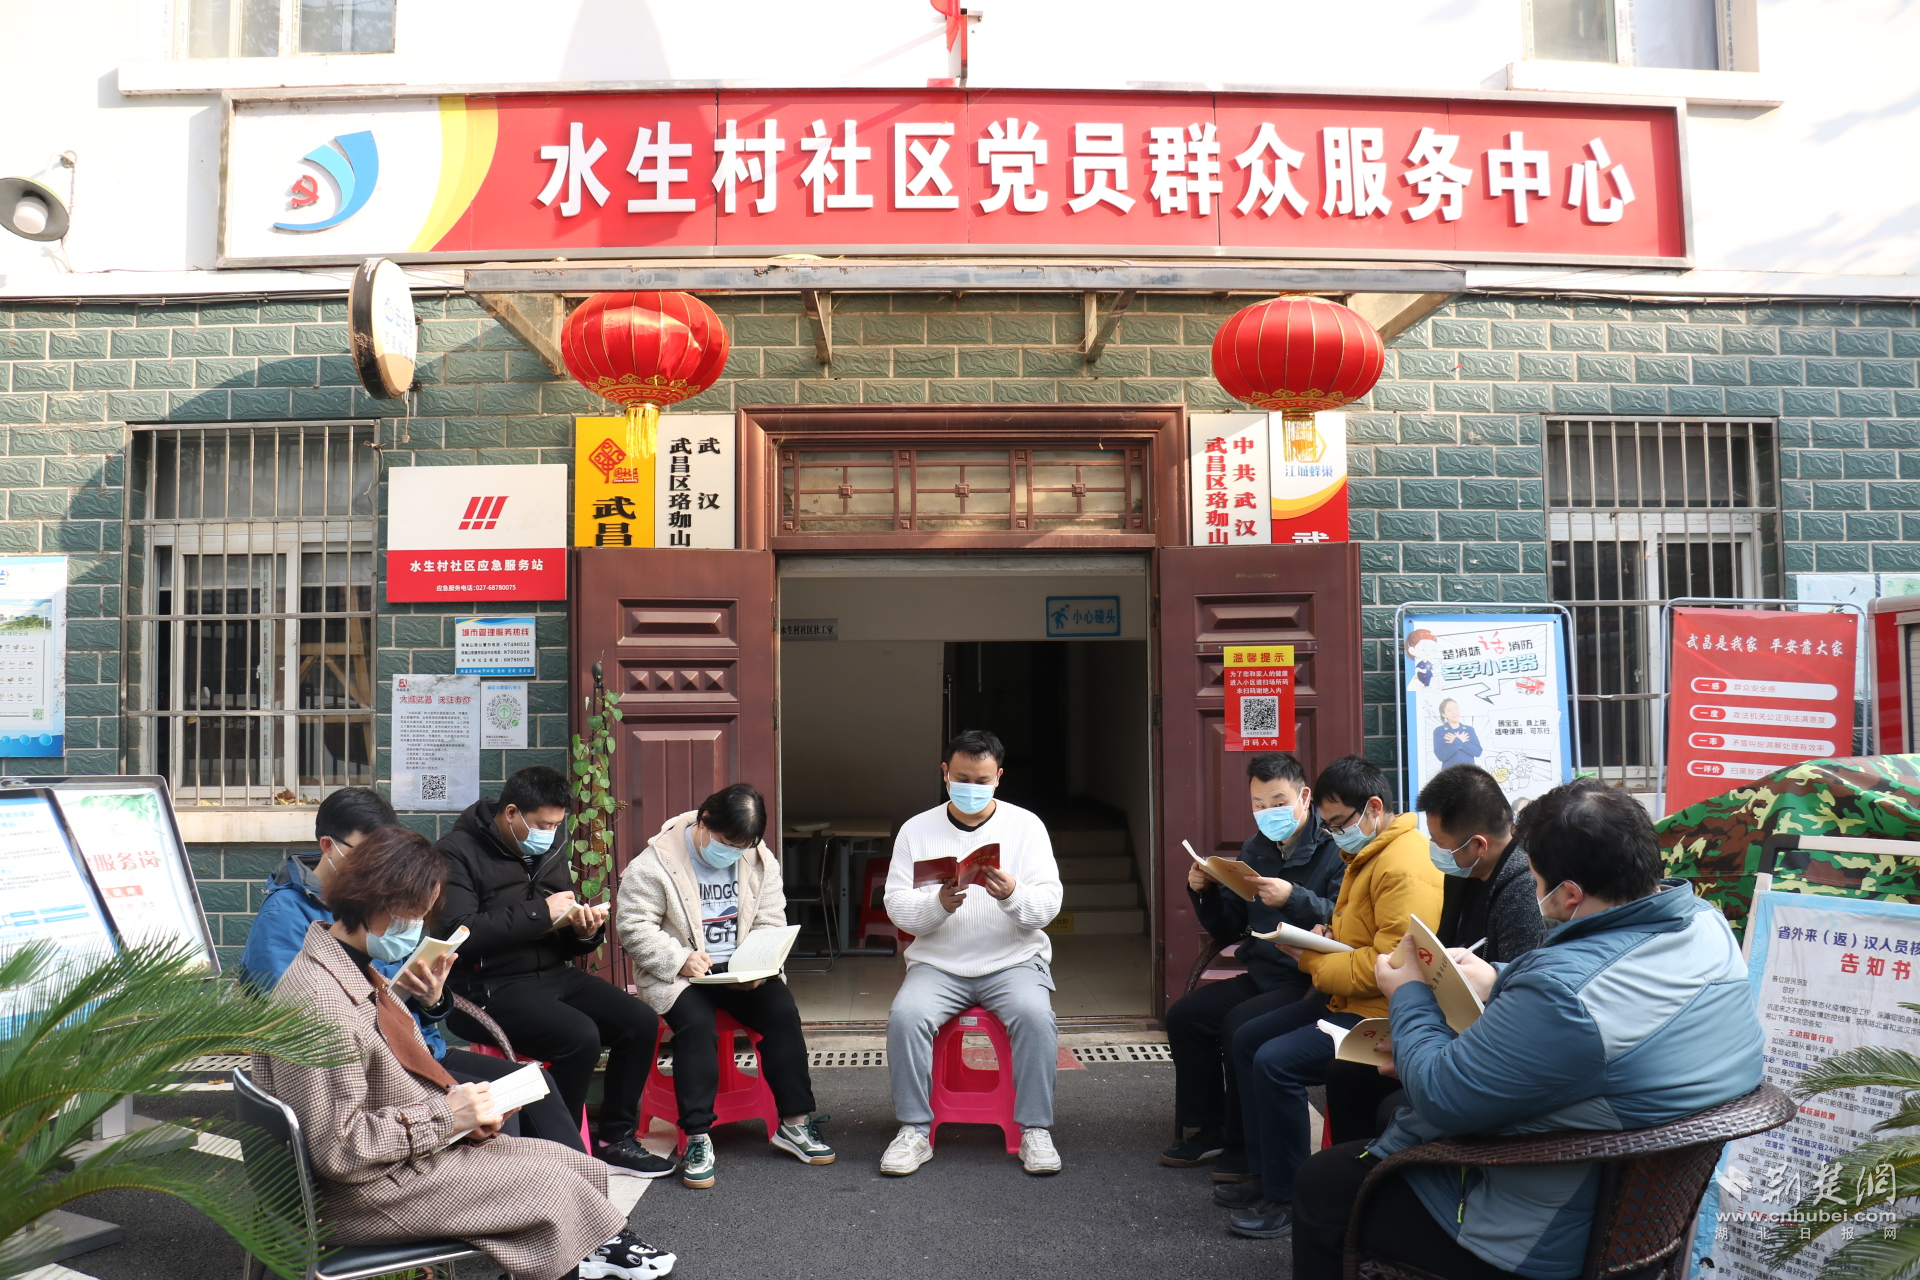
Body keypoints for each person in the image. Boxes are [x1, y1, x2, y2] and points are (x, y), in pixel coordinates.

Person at [1291, 780, 1765, 1280]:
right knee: (1390, 1109)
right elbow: (1613, 999)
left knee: (1323, 1183)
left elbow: (1438, 1094)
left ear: (1571, 894)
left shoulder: (1566, 996)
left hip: (1548, 1236)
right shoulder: (1707, 925)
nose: (1535, 893)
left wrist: (1407, 991)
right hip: (1639, 1211)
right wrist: (1499, 978)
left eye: (1537, 882)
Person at [251, 825, 677, 1280]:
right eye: (414, 913)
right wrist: (449, 1117)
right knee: (552, 1190)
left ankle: (582, 1250)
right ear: (376, 899)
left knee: (573, 1164)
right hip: (359, 1192)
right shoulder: (322, 1003)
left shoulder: (342, 963)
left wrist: (459, 1109)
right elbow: (339, 1150)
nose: (416, 927)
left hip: (387, 1165)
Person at [234, 787, 584, 1153]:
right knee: (495, 1115)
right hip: (381, 1063)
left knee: (532, 1086)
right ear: (329, 847)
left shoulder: (384, 914)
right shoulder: (292, 924)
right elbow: (300, 1021)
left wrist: (431, 998)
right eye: (370, 858)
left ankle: (580, 1179)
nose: (379, 872)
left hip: (418, 1046)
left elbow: (396, 988)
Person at [1217, 754, 1442, 1240]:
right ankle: (1264, 1175)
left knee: (1276, 1061)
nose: (1335, 833)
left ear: (1373, 807)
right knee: (1247, 1038)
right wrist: (1325, 932)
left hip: (1375, 1014)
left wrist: (1315, 959)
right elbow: (1361, 936)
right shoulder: (1367, 852)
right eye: (1331, 824)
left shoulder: (1402, 865)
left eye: (1340, 823)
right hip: (1340, 997)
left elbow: (1393, 968)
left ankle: (1286, 1198)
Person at [437, 766, 672, 1176]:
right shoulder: (456, 852)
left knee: (638, 1020)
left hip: (551, 973)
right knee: (579, 1037)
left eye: (557, 824)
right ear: (511, 813)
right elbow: (459, 933)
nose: (550, 832)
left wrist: (583, 932)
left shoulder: (548, 847)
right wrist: (536, 912)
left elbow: (559, 932)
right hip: (485, 986)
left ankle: (615, 1137)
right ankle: (552, 1149)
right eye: (543, 824)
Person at [615, 782, 834, 1189]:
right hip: (682, 974)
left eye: (743, 846)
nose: (733, 853)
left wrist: (757, 964)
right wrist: (680, 958)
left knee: (782, 1012)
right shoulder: (656, 862)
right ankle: (697, 1136)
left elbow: (771, 918)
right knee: (696, 1027)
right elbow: (633, 926)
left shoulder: (758, 859)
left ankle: (794, 1123)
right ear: (703, 823)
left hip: (741, 970)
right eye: (726, 843)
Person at [1323, 764, 1547, 1146]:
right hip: (1446, 1028)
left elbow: (1513, 1010)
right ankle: (1357, 1183)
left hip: (1480, 1051)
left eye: (1441, 844)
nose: (1433, 853)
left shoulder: (1521, 890)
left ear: (1478, 845)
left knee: (1385, 1106)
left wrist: (1420, 1046)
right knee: (1347, 1071)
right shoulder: (1461, 873)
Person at [878, 729, 1065, 1178]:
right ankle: (914, 1130)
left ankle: (1035, 1129)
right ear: (945, 774)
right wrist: (938, 905)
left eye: (982, 780)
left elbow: (1048, 906)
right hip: (938, 963)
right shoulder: (916, 830)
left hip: (1014, 959)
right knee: (906, 1016)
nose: (971, 788)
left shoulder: (1026, 826)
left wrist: (1013, 895)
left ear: (999, 777)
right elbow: (896, 904)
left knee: (1036, 1016)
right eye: (962, 777)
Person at [1161, 751, 1342, 1174]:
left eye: (1278, 802)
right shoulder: (1256, 848)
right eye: (1258, 805)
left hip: (1308, 980)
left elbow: (1342, 915)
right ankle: (1210, 1127)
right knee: (1187, 1016)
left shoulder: (1334, 849)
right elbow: (1231, 924)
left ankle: (1242, 1145)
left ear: (1304, 796)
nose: (1268, 813)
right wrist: (1204, 889)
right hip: (1260, 973)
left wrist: (1293, 898)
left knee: (1240, 1025)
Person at [1432, 699, 1483, 769]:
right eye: (1450, 710)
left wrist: (1460, 743)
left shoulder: (1469, 730)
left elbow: (1478, 752)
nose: (1454, 712)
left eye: (1456, 708)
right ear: (1443, 714)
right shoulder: (1439, 731)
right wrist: (1458, 741)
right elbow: (1441, 756)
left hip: (1469, 774)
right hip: (1449, 775)